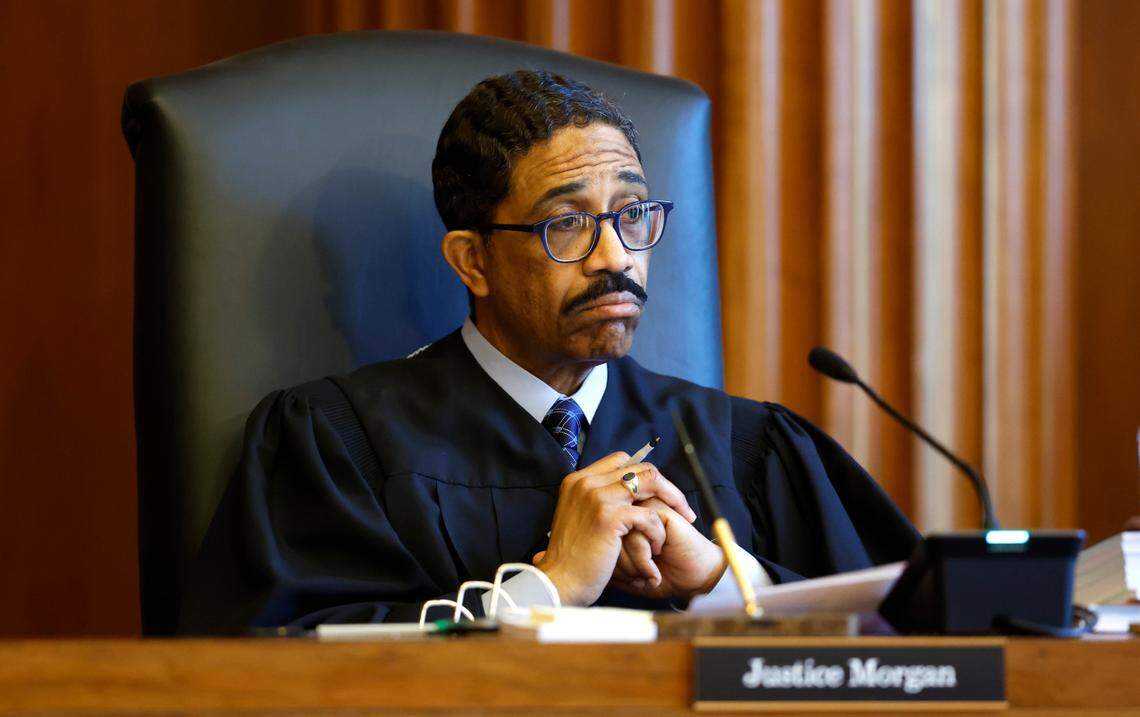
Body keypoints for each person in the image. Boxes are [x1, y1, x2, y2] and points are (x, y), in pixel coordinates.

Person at [180, 70, 919, 632]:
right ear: (472, 261)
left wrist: (721, 580)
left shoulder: (743, 443)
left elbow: (911, 645)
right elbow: (277, 675)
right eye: (567, 223)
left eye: (632, 213)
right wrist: (547, 590)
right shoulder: (341, 444)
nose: (616, 256)